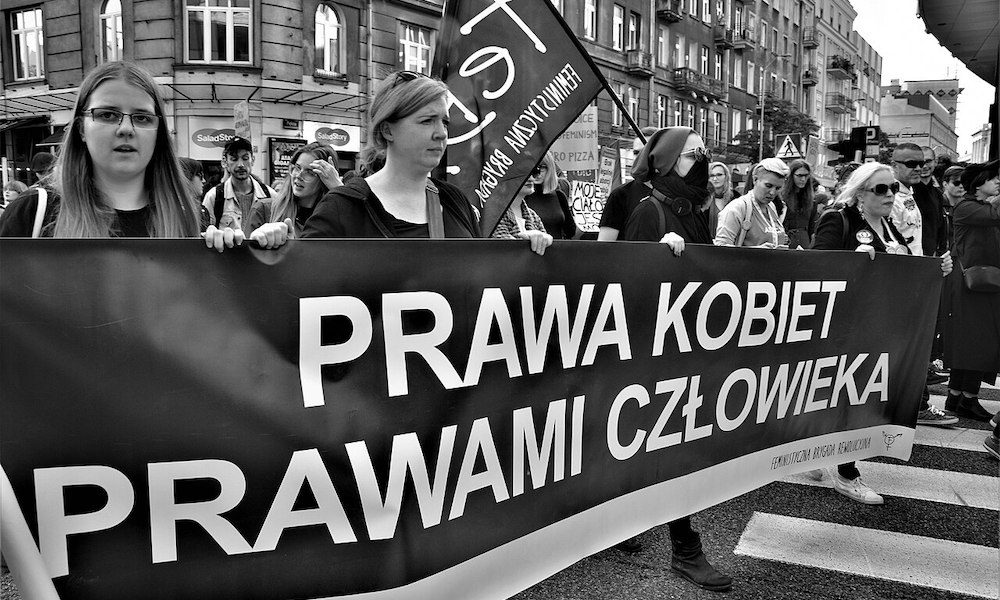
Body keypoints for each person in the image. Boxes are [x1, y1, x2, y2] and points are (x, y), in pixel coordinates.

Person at [616, 126, 732, 594]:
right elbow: (624, 286)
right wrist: (657, 260)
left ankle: (618, 523)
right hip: (654, 354)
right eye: (690, 156)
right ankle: (686, 550)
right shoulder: (649, 210)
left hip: (689, 346)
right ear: (665, 163)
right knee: (668, 449)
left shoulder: (695, 208)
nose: (701, 163)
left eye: (703, 154)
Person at [811, 163, 955, 503]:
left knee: (860, 399)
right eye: (881, 189)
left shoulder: (890, 225)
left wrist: (936, 270)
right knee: (852, 400)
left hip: (885, 327)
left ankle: (815, 451)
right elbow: (815, 265)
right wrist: (851, 260)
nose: (890, 194)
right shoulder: (840, 219)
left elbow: (901, 272)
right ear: (861, 192)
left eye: (892, 187)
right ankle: (847, 474)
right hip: (848, 330)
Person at [0, 62, 200, 239]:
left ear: (159, 133)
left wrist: (227, 256)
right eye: (107, 115)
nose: (126, 129)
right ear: (81, 129)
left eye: (142, 118)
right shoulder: (32, 213)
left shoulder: (182, 216)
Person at [941, 160, 1000, 421]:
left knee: (976, 339)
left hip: (983, 281)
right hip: (969, 282)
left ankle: (958, 397)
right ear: (978, 183)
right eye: (993, 178)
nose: (998, 181)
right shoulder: (966, 207)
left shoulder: (980, 206)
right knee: (974, 339)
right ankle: (965, 398)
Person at [246, 142, 341, 235]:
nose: (299, 176)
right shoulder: (263, 209)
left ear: (325, 179)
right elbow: (245, 250)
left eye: (310, 172)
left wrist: (338, 188)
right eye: (297, 168)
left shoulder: (334, 217)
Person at [201, 136, 277, 231]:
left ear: (252, 160)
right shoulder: (214, 196)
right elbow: (205, 234)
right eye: (234, 159)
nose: (240, 164)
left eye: (245, 158)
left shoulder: (270, 195)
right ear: (225, 162)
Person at [597, 126, 659, 241]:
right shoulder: (620, 196)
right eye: (636, 153)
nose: (640, 158)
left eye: (647, 152)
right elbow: (604, 246)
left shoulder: (675, 193)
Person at [714, 158, 790, 248]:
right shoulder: (736, 209)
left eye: (778, 188)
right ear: (755, 179)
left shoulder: (771, 206)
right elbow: (721, 249)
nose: (772, 193)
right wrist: (755, 252)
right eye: (768, 186)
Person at [491, 168, 553, 255]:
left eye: (534, 173)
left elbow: (545, 252)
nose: (531, 178)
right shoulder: (493, 212)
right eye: (523, 173)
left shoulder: (533, 215)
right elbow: (505, 249)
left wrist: (548, 239)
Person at [524, 151, 577, 239]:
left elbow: (570, 231)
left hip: (557, 249)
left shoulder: (559, 196)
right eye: (533, 168)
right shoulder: (521, 197)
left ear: (550, 168)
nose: (537, 173)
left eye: (541, 167)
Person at [890, 143, 925, 256]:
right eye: (911, 164)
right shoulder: (891, 198)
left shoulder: (907, 192)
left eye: (921, 163)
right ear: (894, 165)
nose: (919, 168)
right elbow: (891, 243)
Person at [779, 159, 817, 249]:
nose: (803, 179)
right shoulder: (781, 198)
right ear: (791, 176)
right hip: (785, 242)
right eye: (799, 175)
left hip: (804, 242)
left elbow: (813, 227)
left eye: (806, 175)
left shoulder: (811, 200)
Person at [707, 161, 734, 235]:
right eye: (712, 175)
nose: (715, 178)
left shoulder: (735, 198)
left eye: (719, 175)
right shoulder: (703, 199)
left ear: (726, 176)